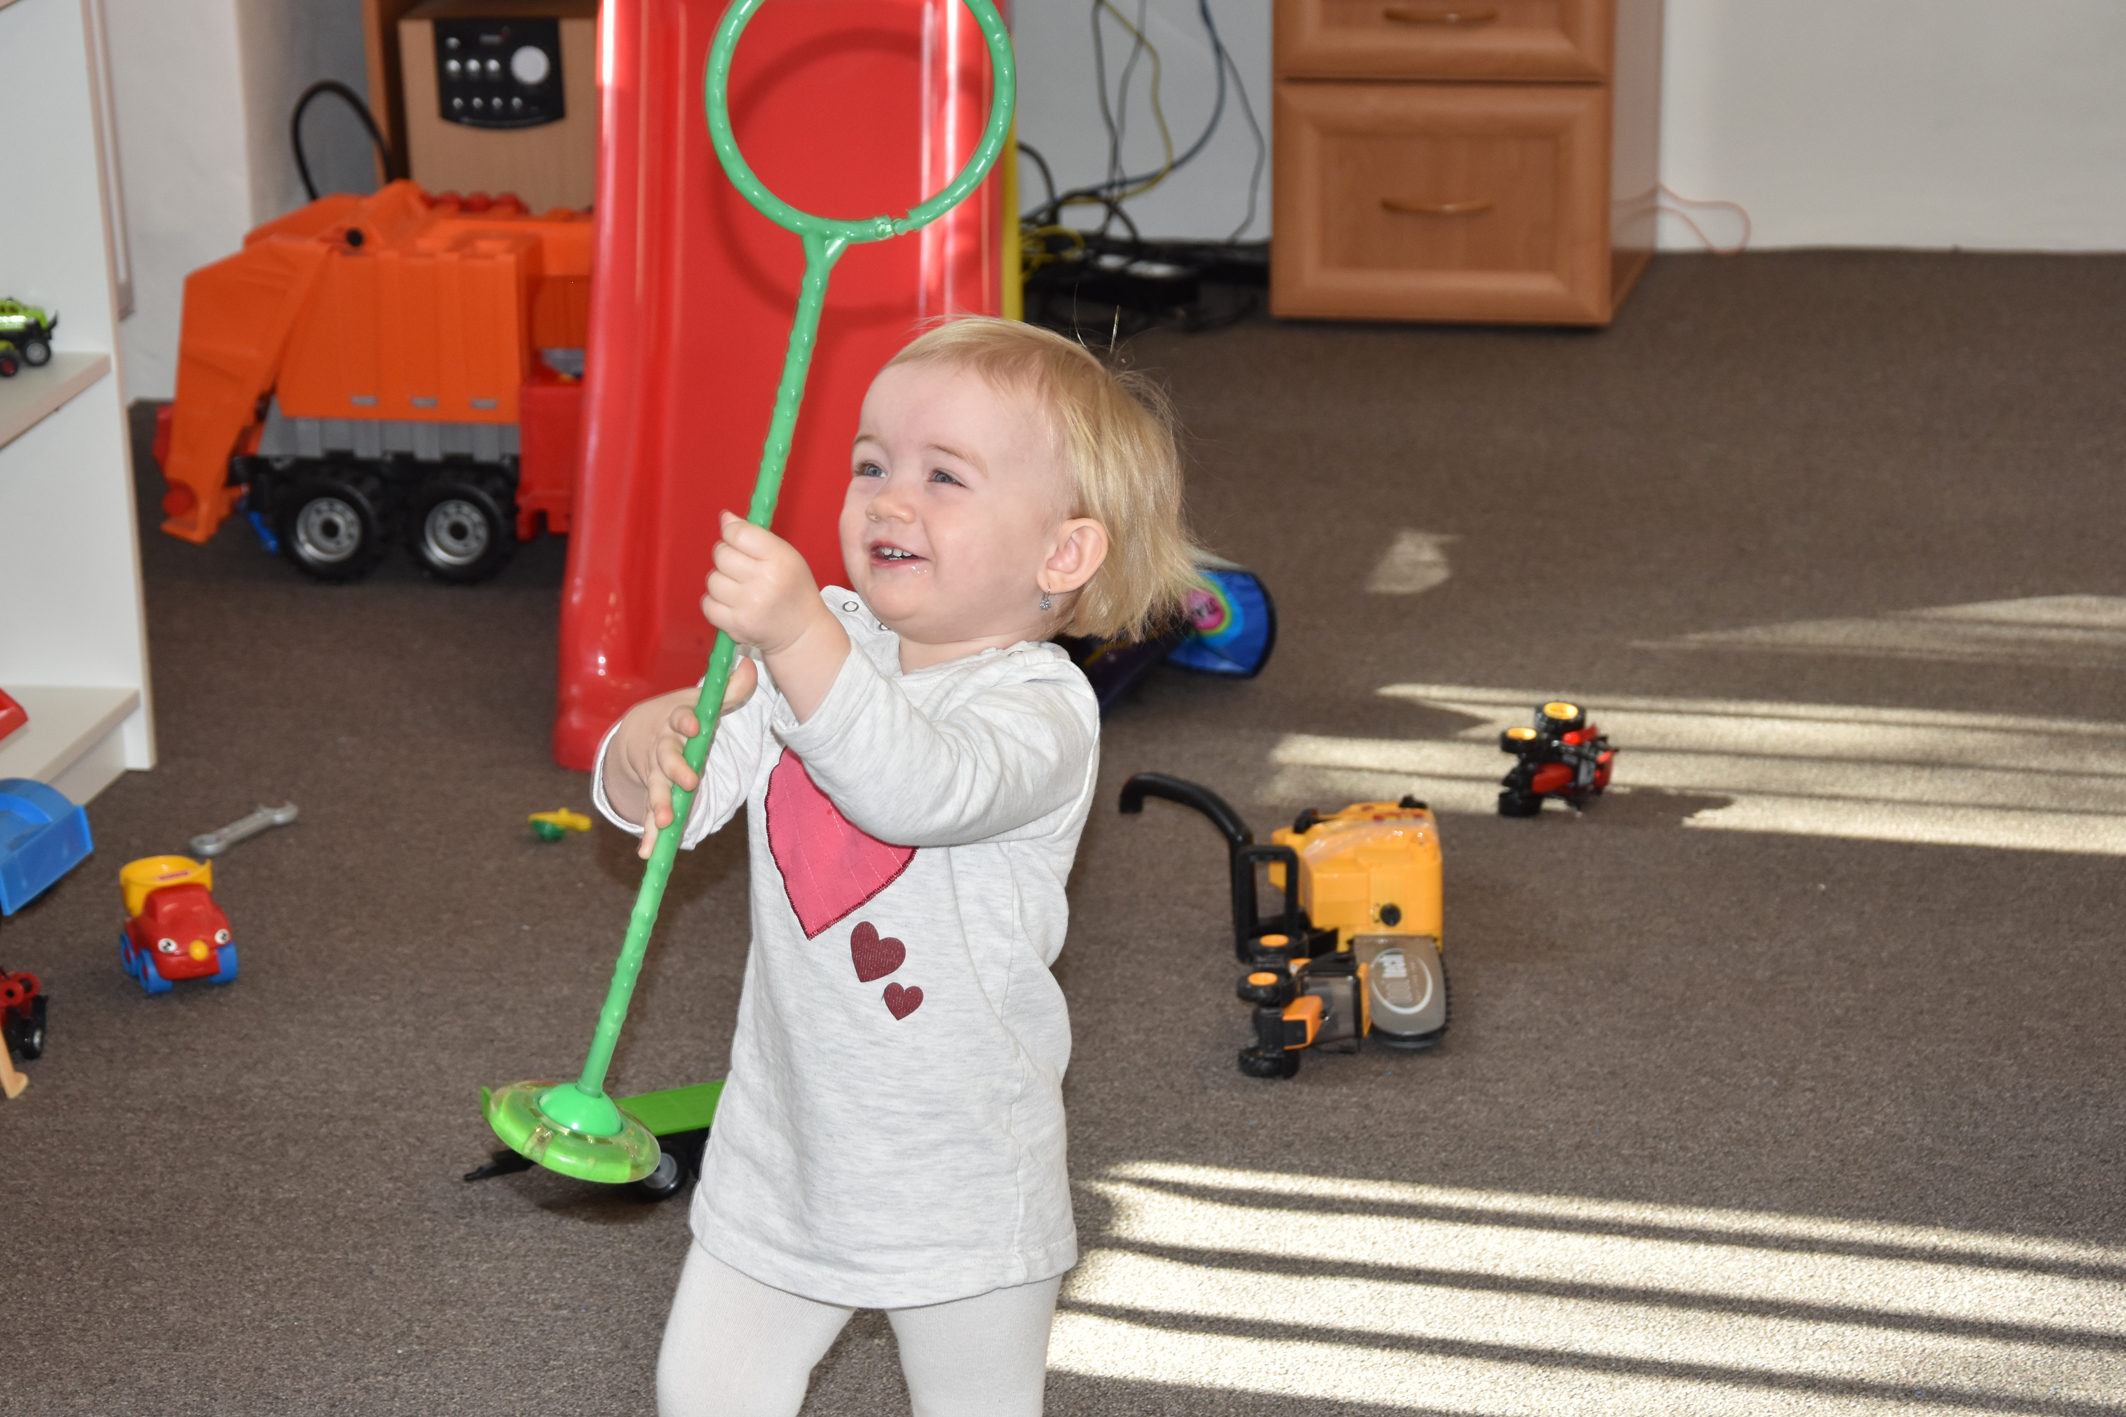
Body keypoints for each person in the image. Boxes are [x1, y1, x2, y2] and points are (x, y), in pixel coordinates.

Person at [593, 317, 1199, 1417]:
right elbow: (686, 791)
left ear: (1061, 555)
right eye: (870, 463)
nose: (887, 499)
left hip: (962, 1163)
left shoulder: (1040, 711)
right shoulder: (823, 641)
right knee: (705, 1389)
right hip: (787, 1134)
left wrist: (796, 640)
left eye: (942, 476)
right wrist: (648, 753)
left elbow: (911, 782)